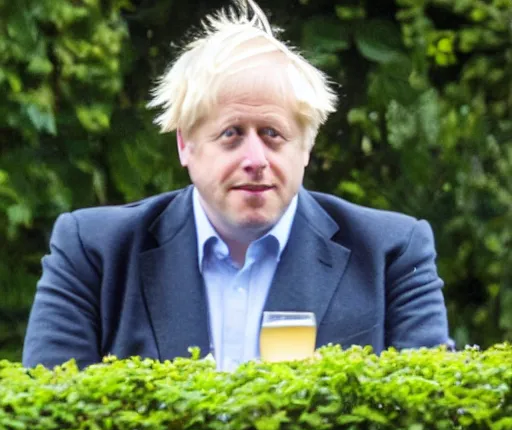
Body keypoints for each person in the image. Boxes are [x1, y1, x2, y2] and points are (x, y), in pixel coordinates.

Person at [22, 0, 450, 370]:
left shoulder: (391, 253)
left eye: (273, 135)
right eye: (230, 134)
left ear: (306, 146)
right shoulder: (93, 253)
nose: (255, 161)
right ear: (185, 144)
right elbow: (48, 427)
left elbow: (433, 427)